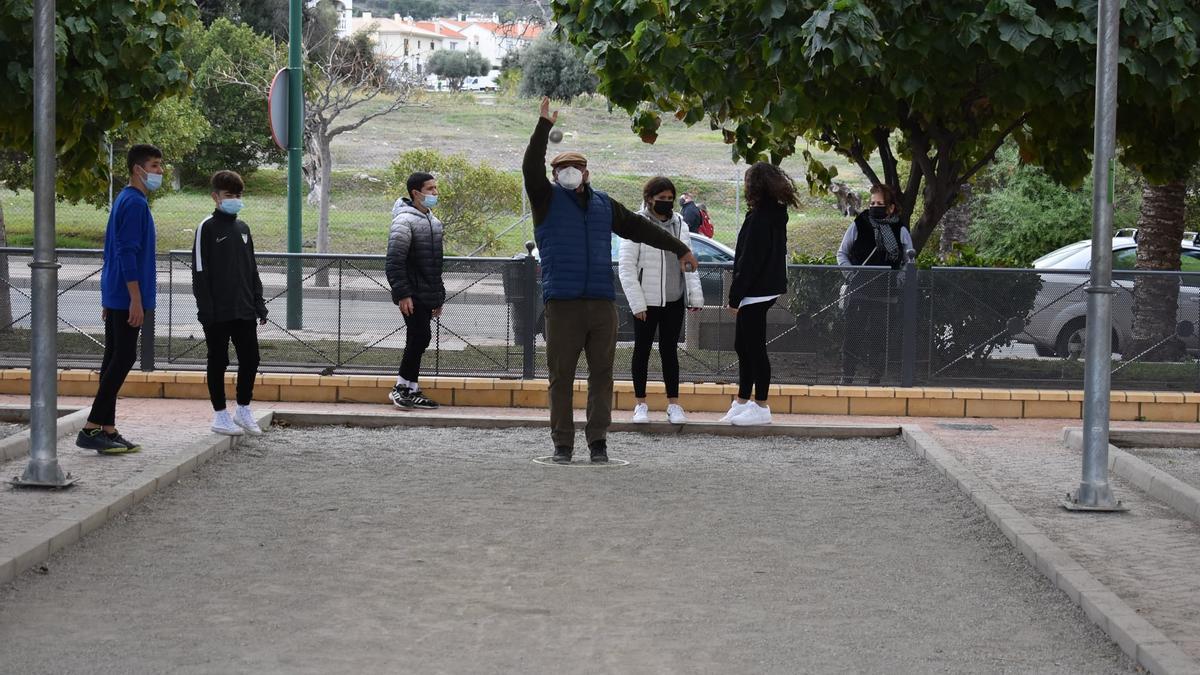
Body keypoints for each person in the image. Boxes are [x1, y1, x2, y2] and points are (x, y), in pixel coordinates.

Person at [525, 97, 698, 463]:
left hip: (602, 302)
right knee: (561, 377)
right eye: (564, 168)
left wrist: (679, 247)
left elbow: (639, 228)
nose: (570, 172)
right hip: (563, 303)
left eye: (577, 167)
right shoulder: (545, 200)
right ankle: (563, 444)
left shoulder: (605, 205)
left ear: (587, 173)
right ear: (555, 175)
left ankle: (598, 441)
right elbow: (529, 168)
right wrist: (542, 127)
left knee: (602, 376)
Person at [75, 144, 163, 454]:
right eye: (154, 166)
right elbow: (126, 252)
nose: (159, 172)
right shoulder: (135, 203)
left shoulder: (125, 199)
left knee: (114, 358)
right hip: (126, 295)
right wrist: (135, 299)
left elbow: (111, 249)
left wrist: (110, 296)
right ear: (138, 169)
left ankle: (107, 429)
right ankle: (91, 427)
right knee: (124, 358)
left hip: (116, 293)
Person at [618, 176, 704, 425]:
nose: (666, 203)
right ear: (649, 199)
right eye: (661, 199)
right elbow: (626, 267)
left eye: (670, 199)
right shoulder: (635, 224)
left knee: (670, 352)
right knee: (642, 351)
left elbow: (689, 262)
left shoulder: (680, 224)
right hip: (647, 301)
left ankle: (674, 405)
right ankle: (640, 404)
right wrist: (637, 303)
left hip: (674, 299)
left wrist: (694, 295)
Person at [192, 170, 268, 436]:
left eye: (237, 195)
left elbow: (252, 269)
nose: (234, 199)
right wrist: (206, 310)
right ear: (215, 197)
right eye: (228, 195)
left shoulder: (243, 228)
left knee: (251, 358)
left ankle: (243, 410)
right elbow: (200, 272)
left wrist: (259, 303)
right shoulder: (207, 228)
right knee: (218, 361)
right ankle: (220, 415)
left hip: (244, 309)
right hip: (217, 312)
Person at [722, 162, 797, 426]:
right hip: (765, 288)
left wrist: (735, 296)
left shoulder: (760, 218)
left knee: (753, 348)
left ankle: (761, 406)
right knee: (743, 346)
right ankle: (742, 401)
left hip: (756, 291)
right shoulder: (773, 214)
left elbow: (749, 260)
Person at [835, 184, 913, 384]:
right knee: (852, 336)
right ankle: (847, 376)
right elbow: (842, 253)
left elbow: (908, 261)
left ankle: (875, 377)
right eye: (872, 203)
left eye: (880, 203)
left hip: (887, 294)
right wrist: (852, 275)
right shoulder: (859, 224)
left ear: (891, 207)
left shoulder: (901, 230)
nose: (875, 206)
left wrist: (900, 278)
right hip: (859, 292)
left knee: (879, 339)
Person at [385, 172, 445, 410]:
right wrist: (403, 294)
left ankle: (410, 387)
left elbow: (435, 265)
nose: (435, 193)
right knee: (419, 337)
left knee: (420, 338)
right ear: (416, 193)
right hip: (412, 293)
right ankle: (401, 388)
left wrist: (438, 296)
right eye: (431, 189)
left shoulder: (434, 222)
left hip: (426, 293)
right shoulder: (403, 221)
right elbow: (394, 261)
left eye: (435, 188)